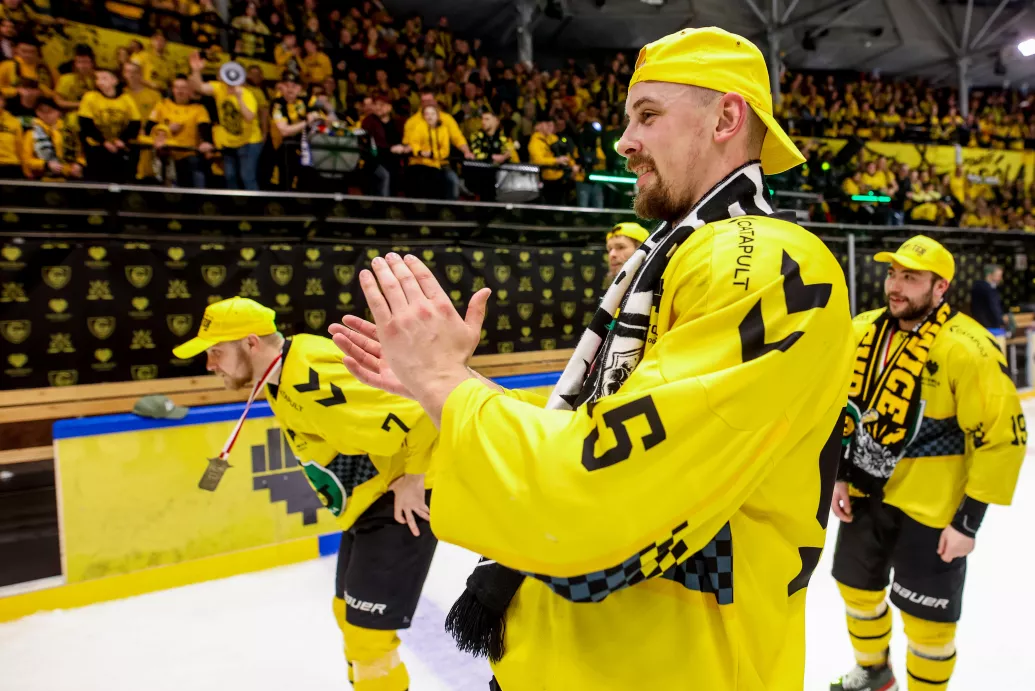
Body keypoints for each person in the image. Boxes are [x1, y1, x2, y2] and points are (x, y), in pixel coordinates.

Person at [329, 26, 854, 691]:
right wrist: (450, 385)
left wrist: (446, 384)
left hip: (666, 669)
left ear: (726, 118)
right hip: (560, 654)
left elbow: (600, 485)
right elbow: (610, 424)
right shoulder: (676, 253)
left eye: (647, 115)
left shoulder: (763, 261)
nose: (624, 142)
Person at [171, 297, 439, 691]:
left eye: (216, 352)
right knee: (346, 613)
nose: (210, 365)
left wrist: (415, 480)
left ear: (250, 343)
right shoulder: (278, 374)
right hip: (366, 504)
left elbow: (424, 410)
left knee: (369, 639)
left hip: (399, 501)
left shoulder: (312, 372)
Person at [829, 236, 1026, 691]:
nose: (895, 286)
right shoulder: (862, 330)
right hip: (865, 494)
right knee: (856, 591)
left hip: (933, 511)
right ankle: (874, 673)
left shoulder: (968, 347)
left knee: (928, 624)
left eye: (910, 278)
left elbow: (1002, 437)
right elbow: (844, 411)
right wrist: (839, 474)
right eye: (892, 274)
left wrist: (968, 523)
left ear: (941, 288)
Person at [188, 51, 261, 190]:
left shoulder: (246, 94)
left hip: (249, 141)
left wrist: (239, 98)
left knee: (247, 176)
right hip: (230, 141)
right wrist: (196, 70)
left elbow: (249, 117)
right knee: (230, 176)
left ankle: (255, 203)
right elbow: (200, 87)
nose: (229, 85)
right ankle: (235, 203)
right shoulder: (219, 88)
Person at [146, 75, 213, 188]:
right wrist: (167, 129)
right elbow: (149, 128)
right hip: (165, 153)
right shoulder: (162, 105)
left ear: (190, 90)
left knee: (195, 167)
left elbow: (204, 129)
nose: (180, 91)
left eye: (183, 88)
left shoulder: (199, 109)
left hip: (188, 154)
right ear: (172, 89)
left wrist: (206, 142)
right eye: (176, 87)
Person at [77, 68, 141, 183]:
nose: (99, 81)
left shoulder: (126, 98)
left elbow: (135, 123)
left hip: (119, 145)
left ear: (115, 81)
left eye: (104, 78)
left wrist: (122, 140)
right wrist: (104, 142)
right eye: (97, 79)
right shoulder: (90, 97)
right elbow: (86, 124)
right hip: (96, 145)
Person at [970, 263, 1007, 332]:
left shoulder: (976, 287)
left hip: (978, 325)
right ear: (989, 275)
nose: (1000, 279)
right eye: (998, 276)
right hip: (992, 327)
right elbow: (994, 308)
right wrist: (1001, 322)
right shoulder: (989, 291)